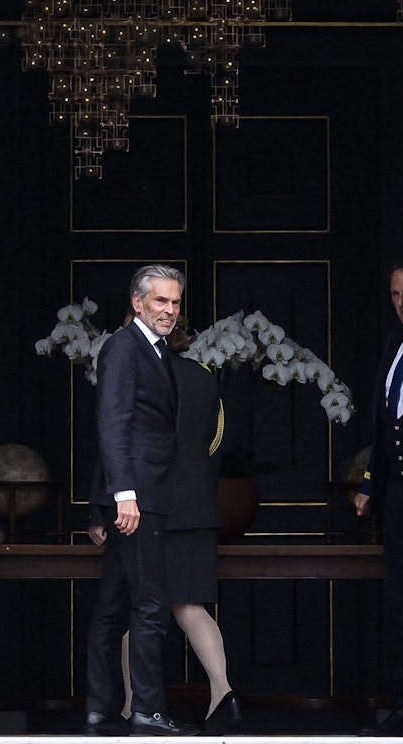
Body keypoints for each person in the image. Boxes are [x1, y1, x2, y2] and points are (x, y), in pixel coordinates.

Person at [90, 319, 244, 734]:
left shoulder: (141, 371)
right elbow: (218, 444)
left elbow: (118, 439)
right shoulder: (205, 377)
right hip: (197, 507)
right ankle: (223, 693)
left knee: (140, 608)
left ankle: (131, 707)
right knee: (190, 605)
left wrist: (101, 509)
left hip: (150, 506)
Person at [84, 264, 198, 737]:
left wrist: (106, 503)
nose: (169, 311)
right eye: (160, 301)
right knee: (150, 604)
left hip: (140, 495)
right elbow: (112, 424)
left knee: (113, 606)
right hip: (138, 499)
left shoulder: (153, 349)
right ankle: (147, 711)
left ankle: (99, 708)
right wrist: (122, 497)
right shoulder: (124, 347)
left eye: (175, 302)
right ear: (137, 302)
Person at [353, 263, 403, 737]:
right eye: (397, 294)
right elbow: (383, 427)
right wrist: (370, 485)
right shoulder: (392, 344)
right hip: (397, 494)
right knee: (401, 598)